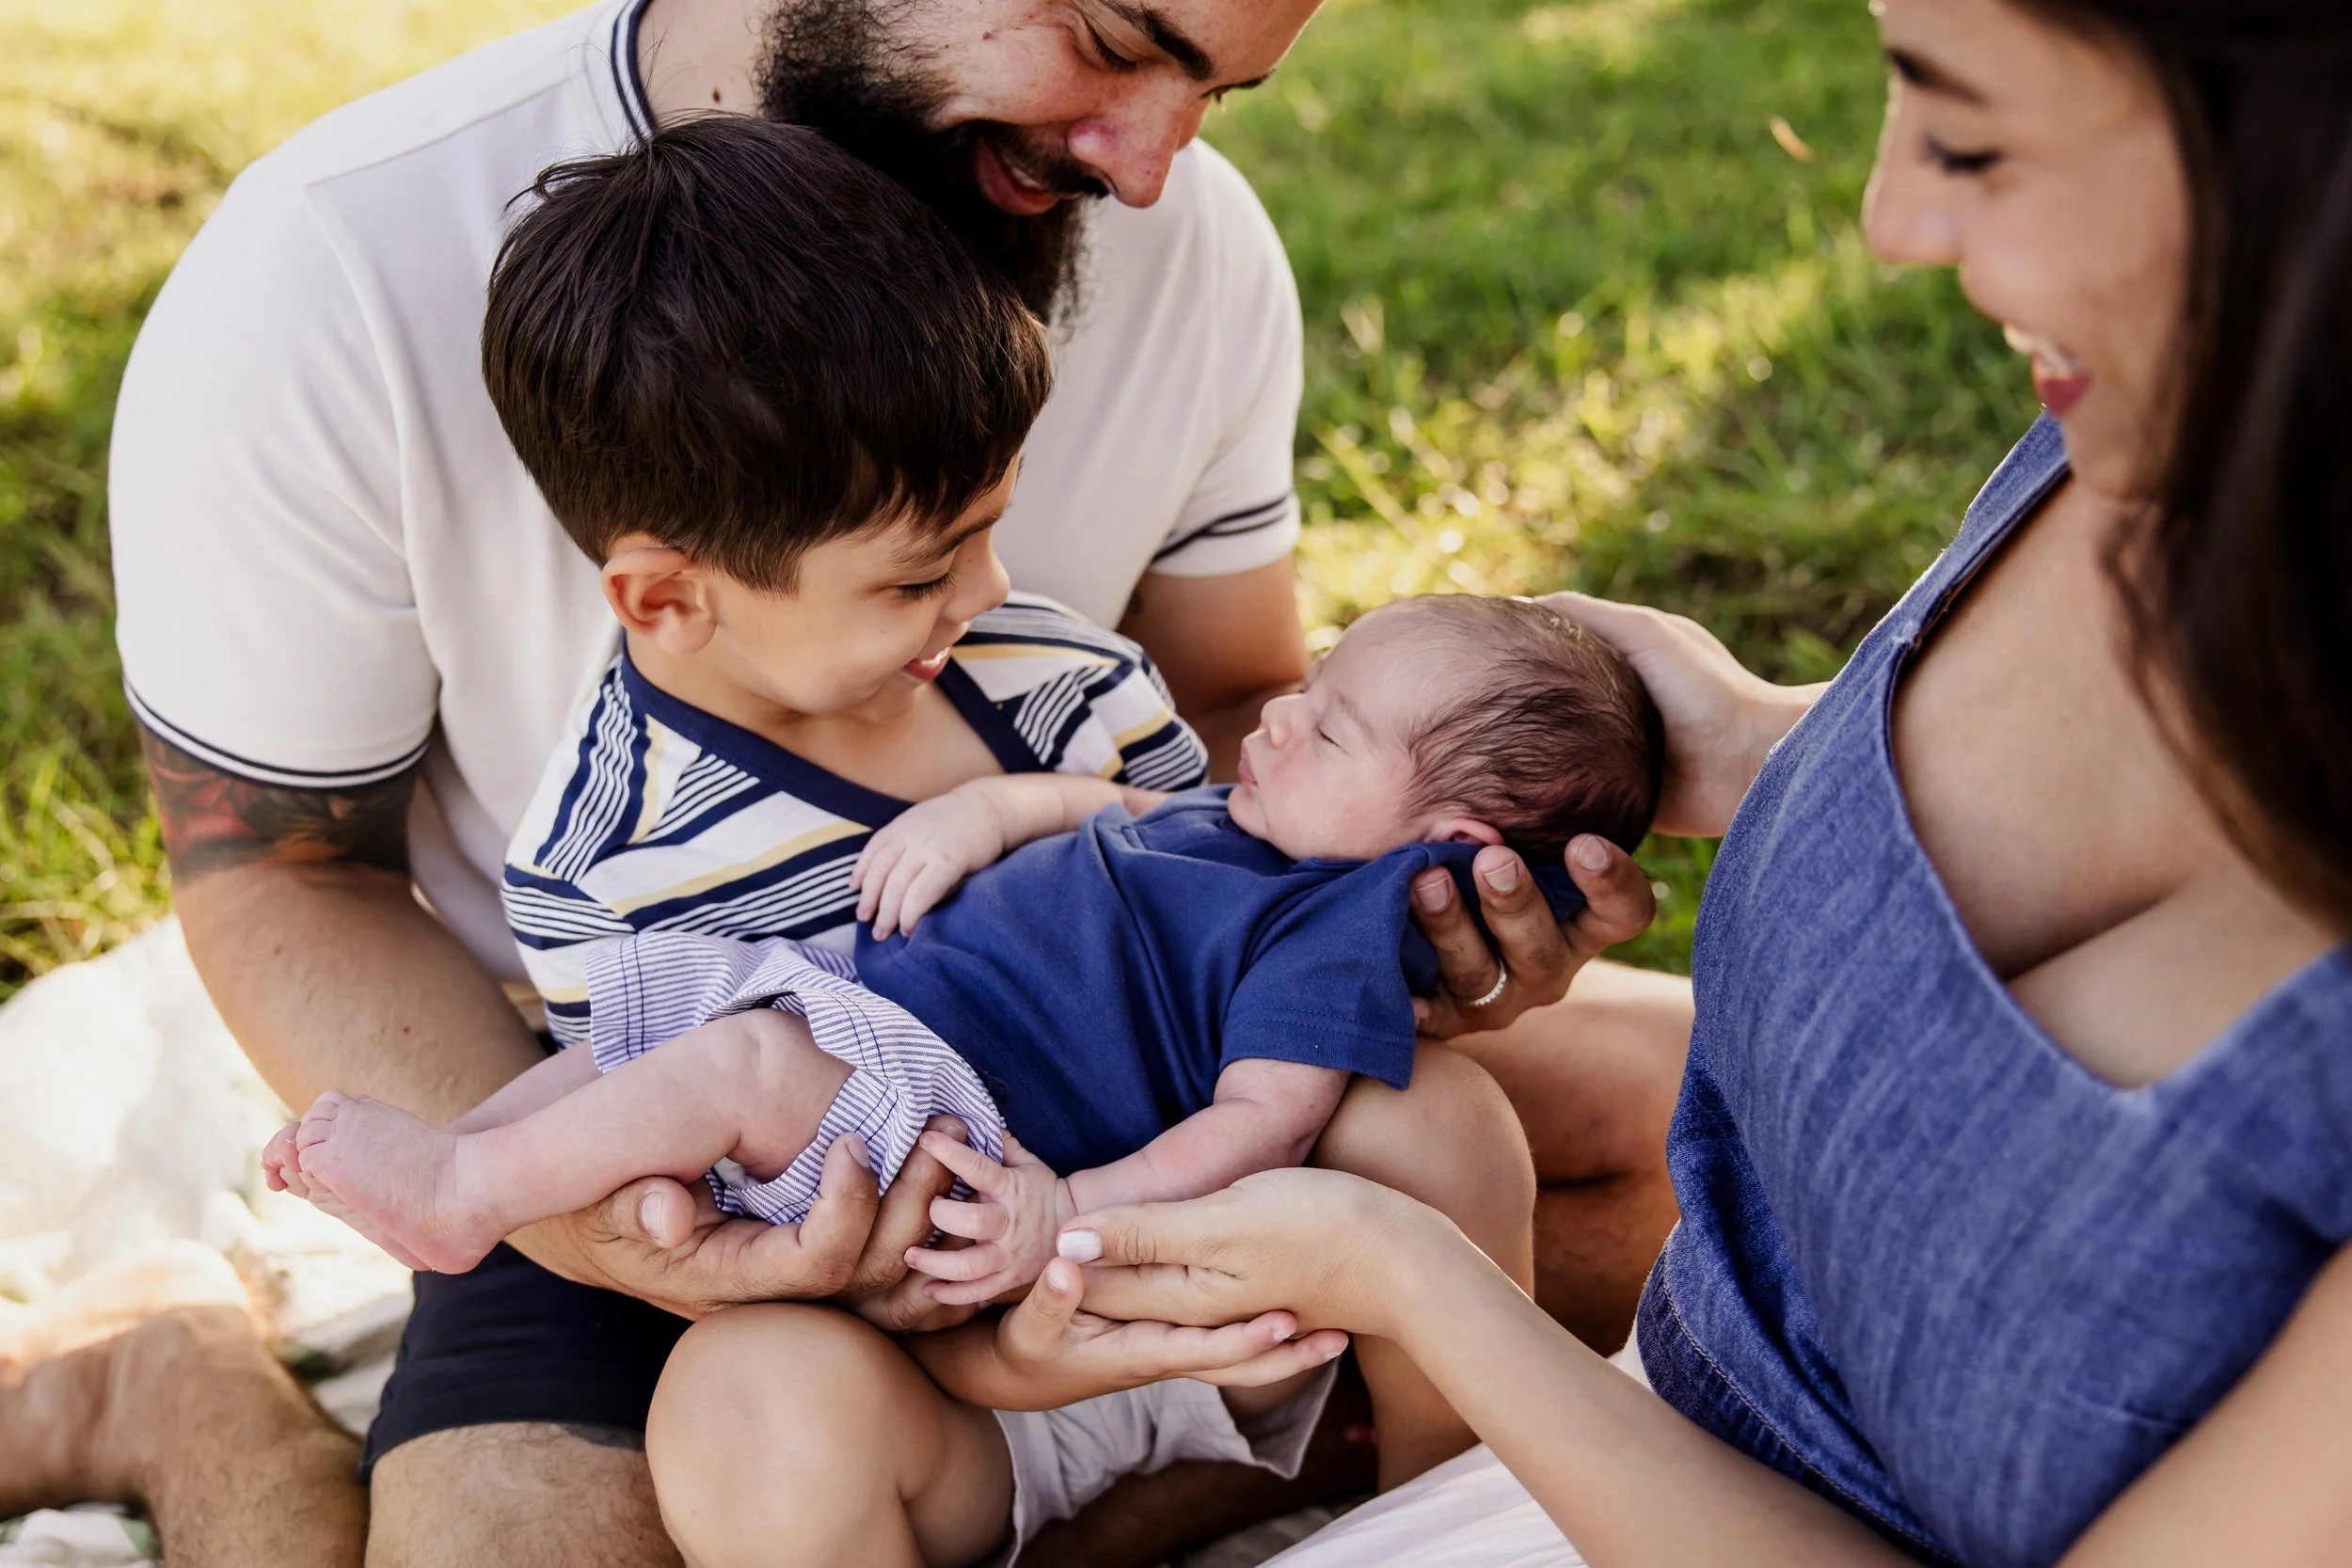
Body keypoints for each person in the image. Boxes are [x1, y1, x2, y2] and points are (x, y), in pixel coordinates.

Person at [83, 1, 1686, 1564]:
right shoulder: (333, 272)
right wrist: (581, 1206)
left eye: (1222, 91)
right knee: (715, 1458)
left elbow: (1223, 719)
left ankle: (1310, 1492)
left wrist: (1402, 912)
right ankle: (168, 1381)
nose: (1149, 165)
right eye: (1120, 42)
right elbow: (278, 872)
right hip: (628, 1147)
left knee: (1745, 1116)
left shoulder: (1178, 243)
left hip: (1133, 1061)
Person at [895, 0, 2350, 1564]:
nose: (1890, 220)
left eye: (1977, 136)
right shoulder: (2153, 428)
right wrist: (1753, 743)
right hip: (1620, 1418)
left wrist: (1412, 1276)